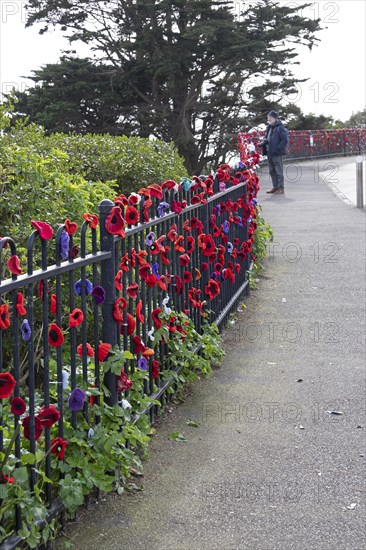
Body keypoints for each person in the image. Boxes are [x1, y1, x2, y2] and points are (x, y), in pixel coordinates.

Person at [259, 111, 288, 194]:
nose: (269, 121)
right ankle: (275, 187)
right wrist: (264, 142)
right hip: (269, 152)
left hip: (276, 153)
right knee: (272, 171)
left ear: (275, 118)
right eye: (268, 120)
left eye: (270, 119)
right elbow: (267, 138)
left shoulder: (280, 128)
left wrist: (278, 148)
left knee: (278, 170)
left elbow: (284, 140)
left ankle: (281, 188)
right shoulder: (269, 128)